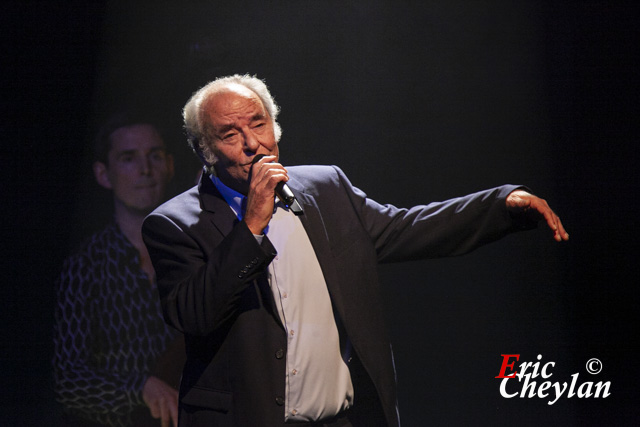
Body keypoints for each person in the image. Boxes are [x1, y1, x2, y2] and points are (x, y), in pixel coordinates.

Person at [141, 75, 569, 427]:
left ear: (276, 126)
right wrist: (252, 224)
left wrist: (500, 205)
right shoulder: (173, 224)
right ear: (204, 151)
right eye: (231, 135)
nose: (253, 144)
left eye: (258, 124)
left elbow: (407, 227)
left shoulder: (326, 188)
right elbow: (193, 315)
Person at [53, 113, 184, 427]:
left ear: (169, 164)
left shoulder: (193, 252)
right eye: (128, 158)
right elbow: (69, 382)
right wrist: (140, 387)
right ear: (104, 174)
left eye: (154, 156)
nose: (145, 169)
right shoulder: (86, 266)